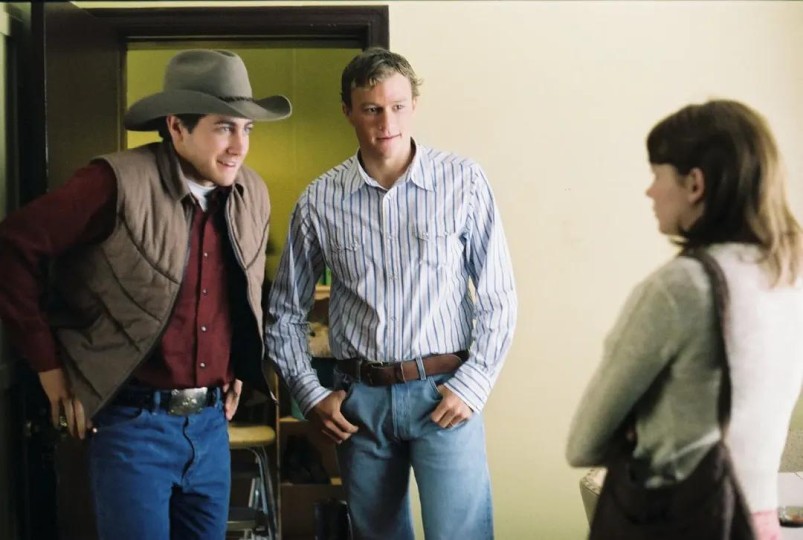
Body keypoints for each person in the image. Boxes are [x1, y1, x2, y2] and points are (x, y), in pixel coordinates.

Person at [0, 49, 291, 539]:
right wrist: (48, 370)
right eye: (224, 127)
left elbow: (243, 289)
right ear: (176, 127)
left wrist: (240, 363)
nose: (239, 146)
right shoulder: (112, 183)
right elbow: (13, 247)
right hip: (132, 425)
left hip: (211, 425)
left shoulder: (252, 192)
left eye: (247, 129)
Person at [266, 47, 517, 539]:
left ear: (414, 105)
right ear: (348, 112)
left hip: (443, 393)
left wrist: (474, 384)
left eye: (398, 106)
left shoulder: (463, 181)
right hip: (360, 403)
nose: (387, 123)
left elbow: (498, 296)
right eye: (372, 109)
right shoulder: (318, 201)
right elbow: (284, 313)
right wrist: (310, 394)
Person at [566, 99, 803, 539]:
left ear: (694, 184)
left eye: (657, 175)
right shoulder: (790, 275)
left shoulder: (682, 287)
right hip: (761, 522)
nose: (649, 192)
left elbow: (584, 443)